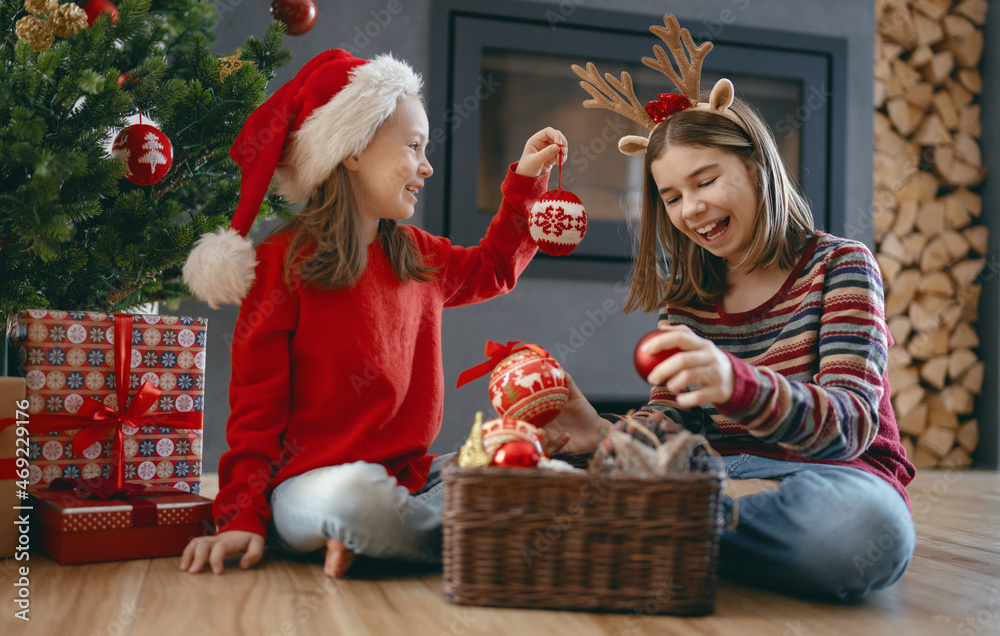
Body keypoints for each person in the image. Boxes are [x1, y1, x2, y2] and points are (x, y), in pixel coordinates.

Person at [546, 15, 916, 600]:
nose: (690, 209)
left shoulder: (840, 266)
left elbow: (851, 423)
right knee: (507, 471)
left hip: (827, 480)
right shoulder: (690, 298)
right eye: (672, 196)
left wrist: (736, 384)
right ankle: (683, 525)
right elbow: (675, 422)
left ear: (755, 165)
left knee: (862, 534)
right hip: (716, 475)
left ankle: (660, 530)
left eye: (706, 180)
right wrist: (603, 433)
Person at [178, 49, 566, 577]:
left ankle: (384, 541)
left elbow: (496, 266)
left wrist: (526, 178)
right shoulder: (282, 264)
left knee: (523, 456)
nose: (427, 166)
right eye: (413, 147)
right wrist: (240, 515)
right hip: (310, 488)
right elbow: (254, 413)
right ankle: (460, 531)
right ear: (352, 149)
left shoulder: (419, 254)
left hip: (411, 478)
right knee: (358, 499)